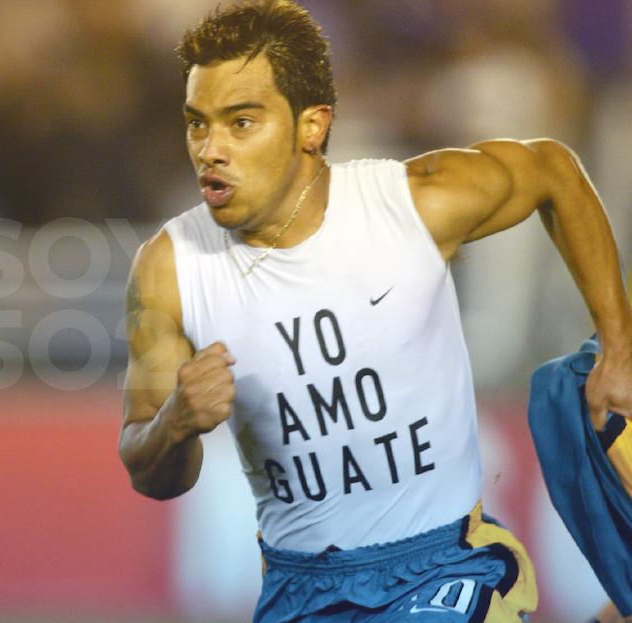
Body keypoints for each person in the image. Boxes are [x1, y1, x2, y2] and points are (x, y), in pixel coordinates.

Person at [118, 1, 632, 620]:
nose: (210, 149)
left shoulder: (407, 205)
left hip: (446, 564)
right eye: (197, 124)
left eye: (241, 122)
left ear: (312, 126)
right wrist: (176, 420)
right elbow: (149, 469)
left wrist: (618, 349)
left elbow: (553, 170)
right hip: (297, 587)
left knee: (565, 388)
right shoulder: (171, 267)